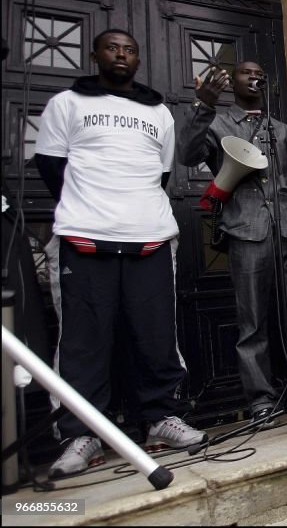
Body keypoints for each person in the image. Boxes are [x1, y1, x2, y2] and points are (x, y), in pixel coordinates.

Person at [35, 29, 206, 478]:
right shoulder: (67, 104)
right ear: (95, 54)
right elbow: (50, 165)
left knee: (155, 337)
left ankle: (160, 419)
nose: (121, 55)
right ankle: (82, 433)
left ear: (138, 59)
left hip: (148, 238)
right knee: (84, 342)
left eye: (130, 49)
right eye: (112, 47)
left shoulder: (160, 113)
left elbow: (163, 171)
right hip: (85, 239)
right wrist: (88, 207)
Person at [178, 61, 287, 423]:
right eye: (247, 72)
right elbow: (188, 155)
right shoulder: (217, 123)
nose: (255, 76)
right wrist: (203, 108)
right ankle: (261, 399)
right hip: (246, 230)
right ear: (234, 82)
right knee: (253, 321)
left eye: (261, 73)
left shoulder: (282, 130)